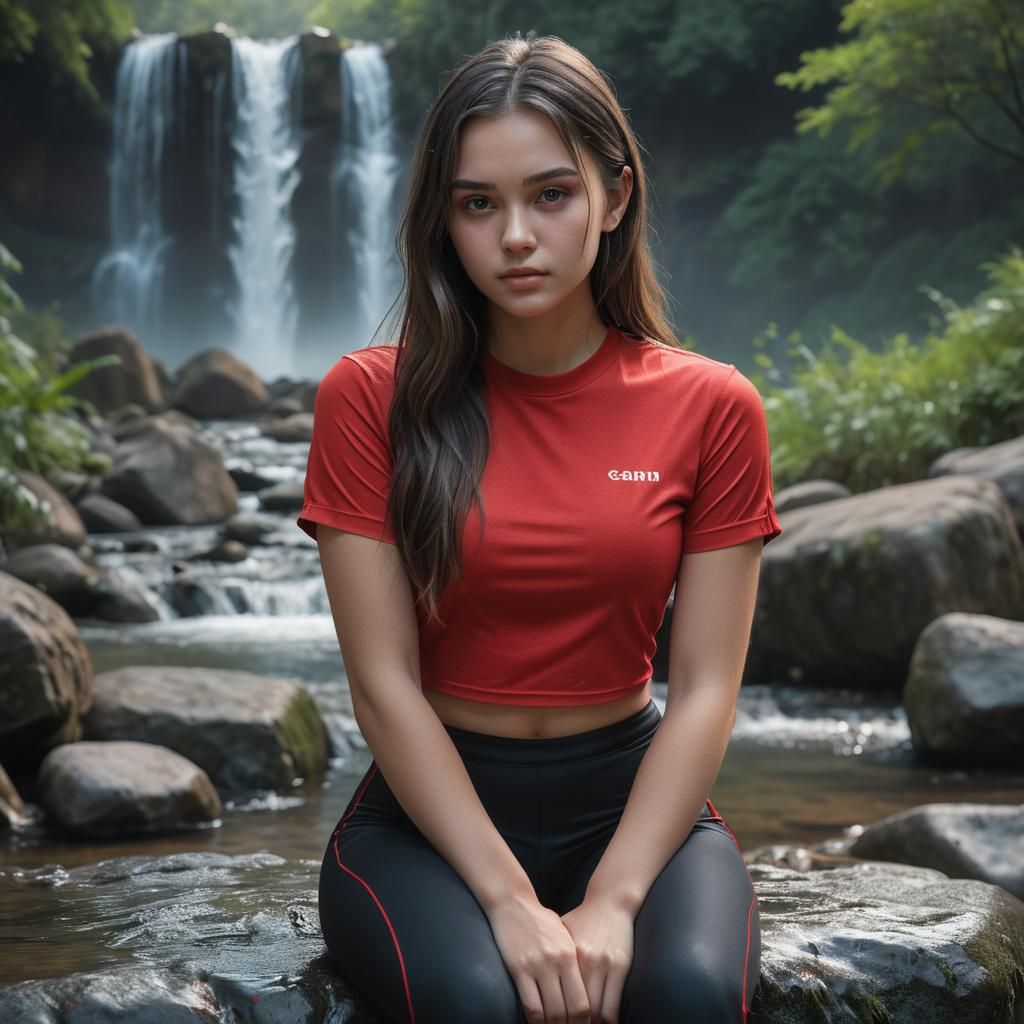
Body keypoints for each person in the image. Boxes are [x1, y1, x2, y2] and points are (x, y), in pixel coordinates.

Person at [297, 30, 783, 1024]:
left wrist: (616, 898)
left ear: (615, 196)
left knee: (689, 993)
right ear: (444, 220)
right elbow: (382, 684)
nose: (515, 236)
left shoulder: (712, 406)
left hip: (631, 805)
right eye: (478, 204)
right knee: (476, 1002)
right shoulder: (368, 398)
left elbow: (703, 689)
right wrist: (510, 901)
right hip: (424, 824)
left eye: (551, 195)